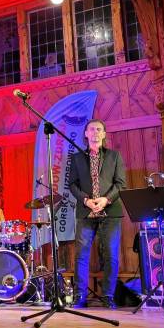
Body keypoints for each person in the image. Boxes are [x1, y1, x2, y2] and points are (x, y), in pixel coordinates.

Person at [68, 119, 126, 309]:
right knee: (81, 256)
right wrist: (86, 200)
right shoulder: (77, 158)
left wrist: (105, 200)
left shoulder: (114, 156)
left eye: (99, 129)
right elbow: (72, 185)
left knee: (111, 255)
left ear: (104, 134)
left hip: (110, 211)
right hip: (86, 211)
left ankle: (108, 295)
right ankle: (80, 296)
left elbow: (120, 184)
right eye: (91, 129)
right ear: (86, 134)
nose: (95, 132)